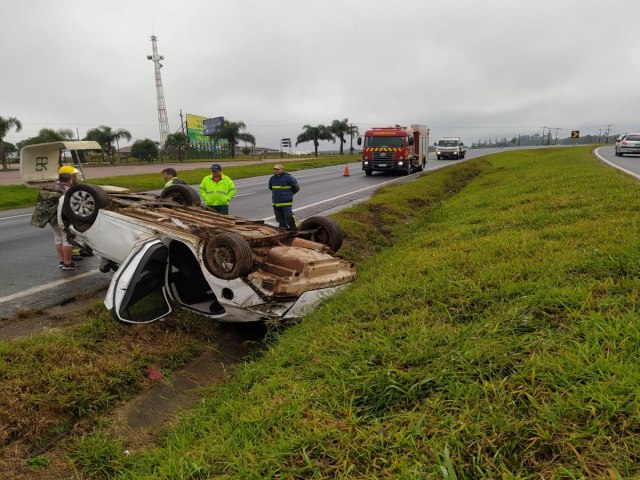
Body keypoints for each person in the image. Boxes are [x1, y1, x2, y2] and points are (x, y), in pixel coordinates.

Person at [31, 166, 83, 270]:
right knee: (67, 239)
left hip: (51, 218)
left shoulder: (51, 187)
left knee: (58, 238)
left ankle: (63, 261)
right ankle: (68, 263)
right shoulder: (68, 191)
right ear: (70, 179)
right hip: (62, 219)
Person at [268, 164, 300, 230]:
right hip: (276, 202)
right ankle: (283, 230)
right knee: (280, 219)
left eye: (277, 169)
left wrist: (288, 194)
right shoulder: (272, 178)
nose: (276, 170)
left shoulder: (288, 178)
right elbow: (271, 187)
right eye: (275, 169)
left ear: (282, 170)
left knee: (288, 217)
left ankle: (294, 229)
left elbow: (296, 188)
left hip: (286, 202)